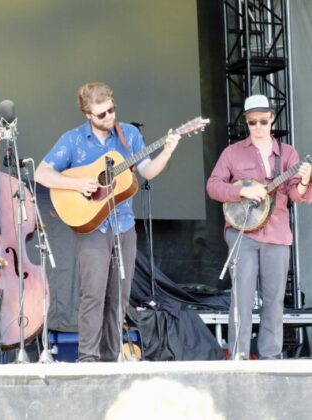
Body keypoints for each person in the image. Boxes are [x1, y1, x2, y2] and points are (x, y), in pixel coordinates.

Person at [35, 82, 180, 362]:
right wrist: (77, 184)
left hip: (123, 225)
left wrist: (167, 152)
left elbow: (148, 171)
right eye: (101, 114)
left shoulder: (129, 135)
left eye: (112, 110)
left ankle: (111, 358)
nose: (109, 117)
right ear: (88, 114)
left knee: (119, 297)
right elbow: (42, 173)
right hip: (91, 227)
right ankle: (88, 358)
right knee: (93, 294)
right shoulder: (73, 139)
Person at [206, 94, 312, 359]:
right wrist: (242, 192)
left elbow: (297, 195)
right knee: (241, 298)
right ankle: (239, 357)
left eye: (263, 121)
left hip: (277, 234)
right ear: (246, 122)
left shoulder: (288, 154)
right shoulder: (232, 153)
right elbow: (213, 186)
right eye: (252, 122)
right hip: (242, 233)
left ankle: (269, 358)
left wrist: (303, 181)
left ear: (272, 118)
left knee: (274, 301)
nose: (258, 127)